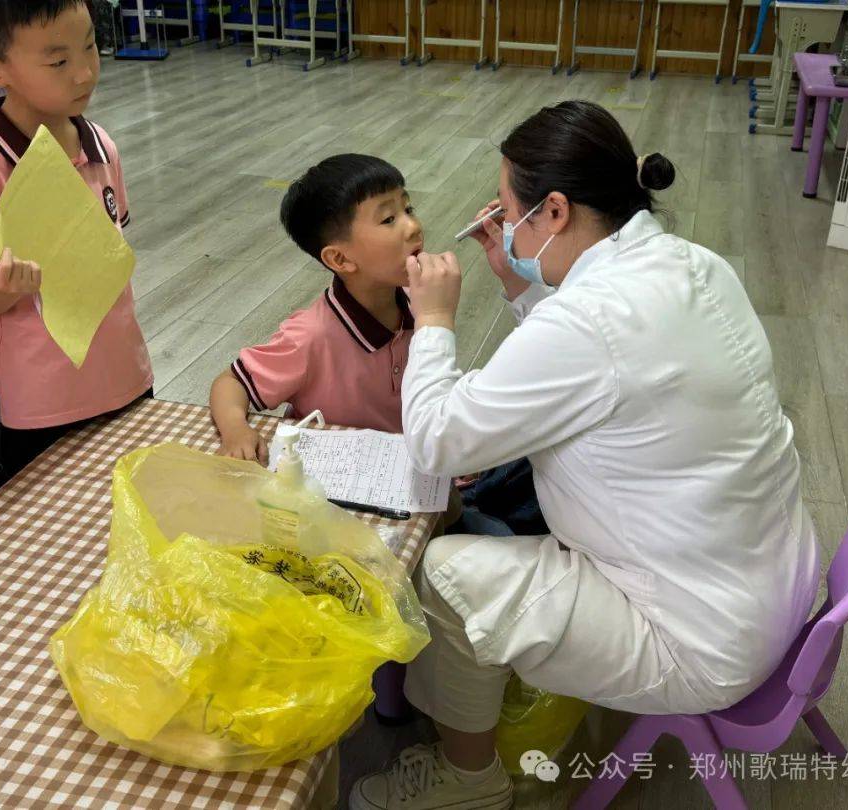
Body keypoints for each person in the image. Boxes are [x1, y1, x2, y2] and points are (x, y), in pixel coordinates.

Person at [349, 100, 820, 809]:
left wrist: (436, 321)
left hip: (699, 637)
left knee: (446, 571)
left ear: (556, 212)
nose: (503, 229)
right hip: (777, 580)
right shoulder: (692, 263)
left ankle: (468, 780)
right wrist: (520, 285)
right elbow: (599, 373)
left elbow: (439, 439)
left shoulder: (590, 319)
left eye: (510, 212)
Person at [209, 153, 509, 537]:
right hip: (350, 509)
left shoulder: (419, 301)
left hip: (420, 481)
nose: (414, 226)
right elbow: (230, 383)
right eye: (388, 219)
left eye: (408, 207)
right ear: (340, 258)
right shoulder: (311, 336)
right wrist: (236, 430)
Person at [0, 0, 152, 480]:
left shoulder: (101, 146)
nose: (84, 74)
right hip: (42, 404)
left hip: (127, 374)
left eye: (91, 47)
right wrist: (1, 288)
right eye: (58, 62)